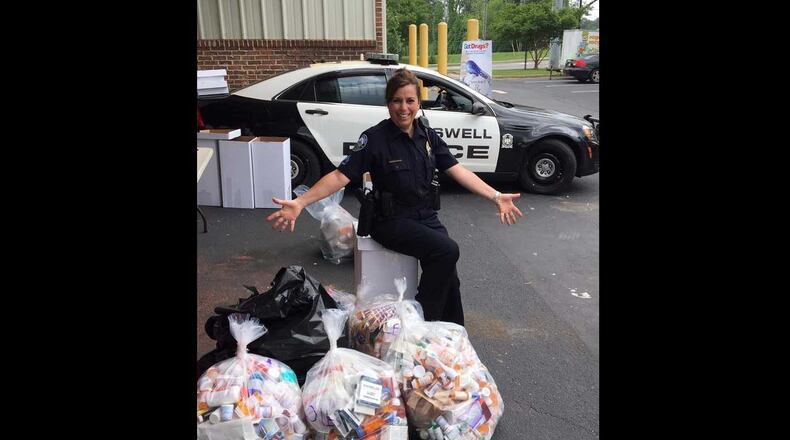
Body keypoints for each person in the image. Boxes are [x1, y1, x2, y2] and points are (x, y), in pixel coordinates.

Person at [265, 68, 522, 326]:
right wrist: (301, 202)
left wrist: (496, 196)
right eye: (397, 101)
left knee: (449, 276)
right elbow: (340, 176)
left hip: (425, 216)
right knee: (447, 251)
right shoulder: (375, 139)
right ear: (388, 104)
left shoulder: (427, 136)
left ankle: (454, 333)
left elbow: (458, 170)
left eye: (410, 100)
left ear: (419, 104)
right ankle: (419, 324)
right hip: (390, 220)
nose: (403, 108)